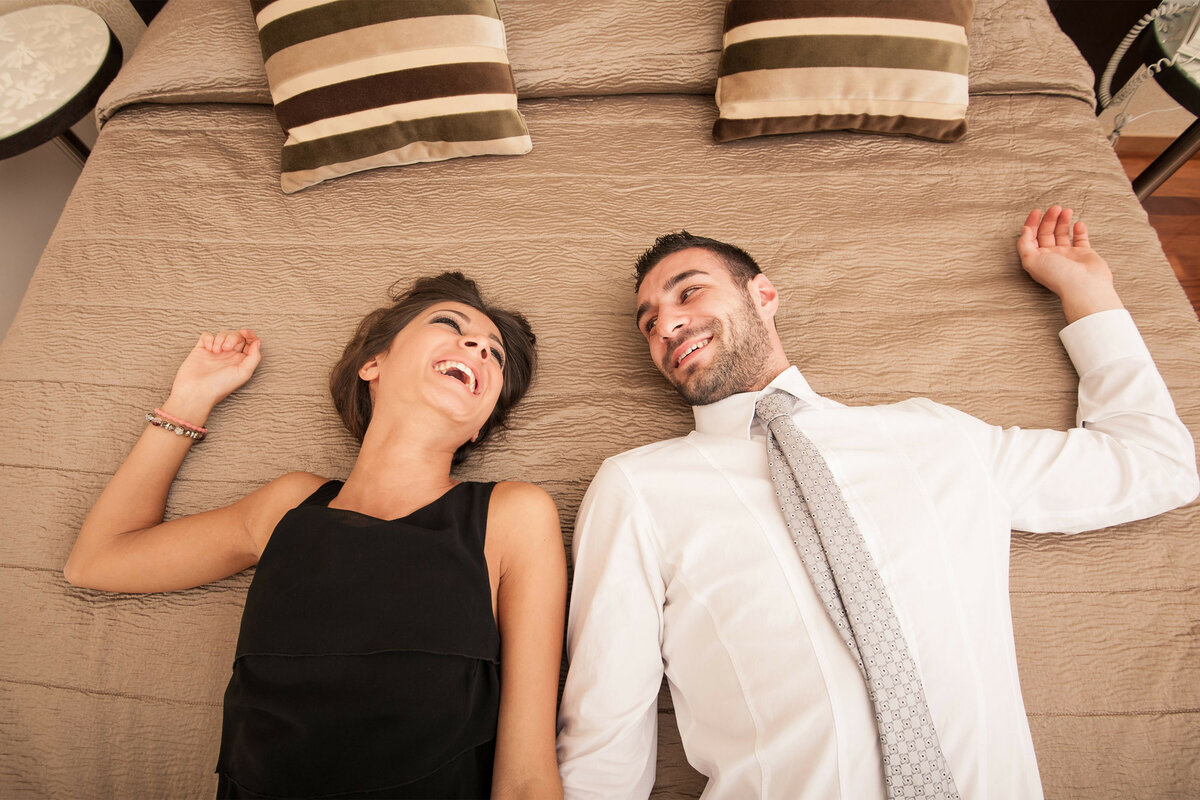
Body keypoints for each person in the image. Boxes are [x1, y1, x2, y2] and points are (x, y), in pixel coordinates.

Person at [555, 207, 1199, 799]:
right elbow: (606, 727)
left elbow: (1154, 463)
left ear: (764, 296)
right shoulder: (637, 486)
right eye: (648, 322)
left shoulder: (935, 436)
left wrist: (1088, 294)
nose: (666, 326)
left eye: (689, 292)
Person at [64, 272, 567, 799]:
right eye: (450, 325)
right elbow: (97, 560)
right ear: (373, 364)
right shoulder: (287, 506)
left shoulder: (513, 516)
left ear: (481, 423)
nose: (479, 349)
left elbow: (527, 776)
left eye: (494, 354)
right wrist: (191, 399)